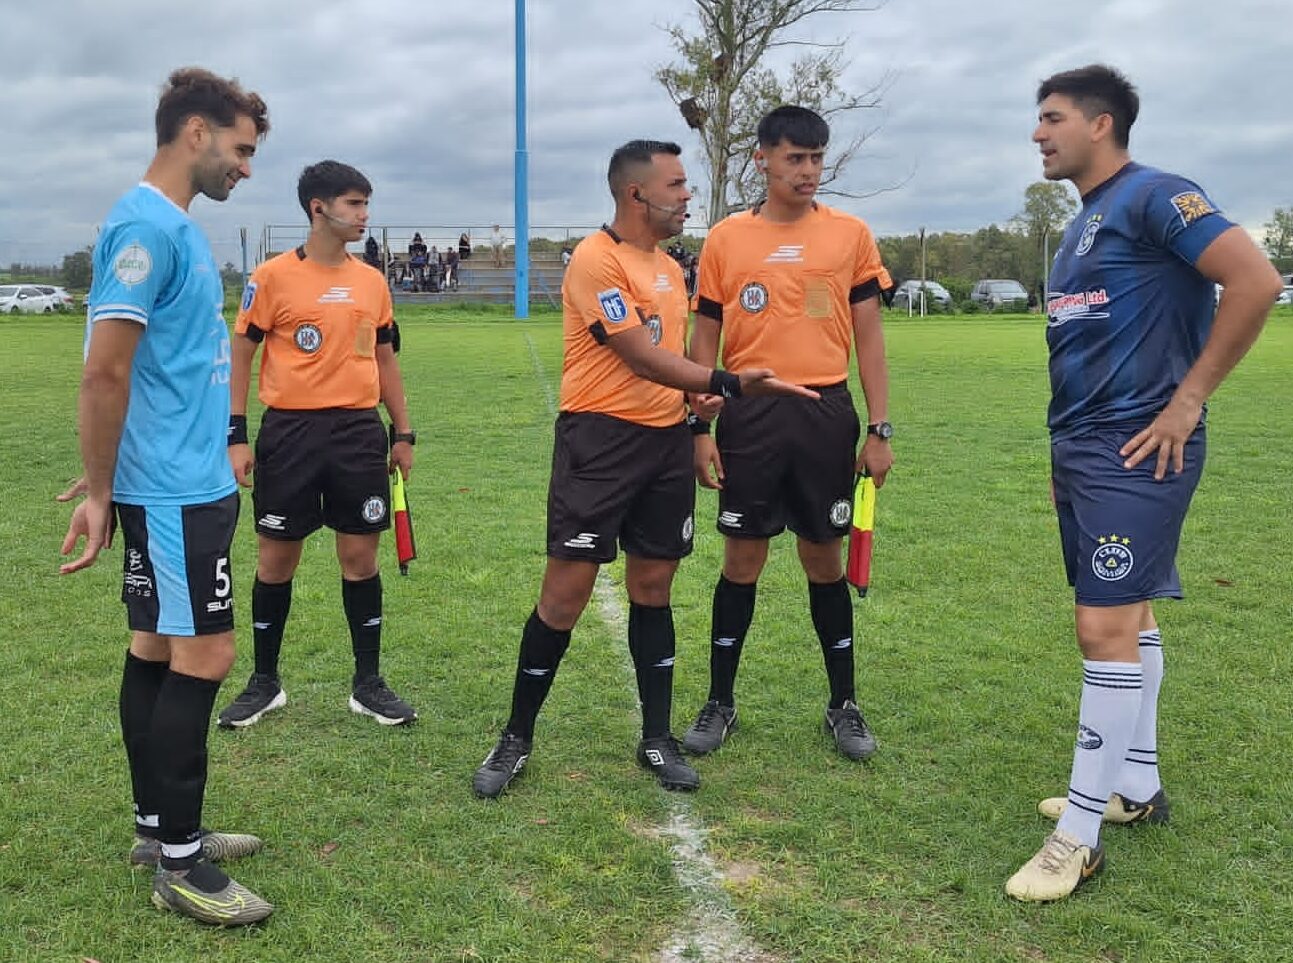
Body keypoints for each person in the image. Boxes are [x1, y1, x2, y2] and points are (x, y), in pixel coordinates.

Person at [1005, 64, 1280, 903]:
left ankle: (1078, 837)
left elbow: (1255, 280)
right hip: (1084, 451)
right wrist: (1062, 456)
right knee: (1131, 614)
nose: (1037, 133)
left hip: (1139, 448)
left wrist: (1186, 400)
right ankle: (1135, 784)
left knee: (1102, 628)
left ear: (1099, 124)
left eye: (1051, 117)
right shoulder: (1083, 221)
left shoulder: (1157, 194)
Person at [472, 139, 817, 800]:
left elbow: (675, 361)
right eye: (677, 185)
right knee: (564, 594)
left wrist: (696, 419)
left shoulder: (666, 266)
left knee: (653, 587)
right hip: (599, 444)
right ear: (636, 194)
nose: (688, 196)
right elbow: (638, 354)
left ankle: (656, 736)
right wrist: (728, 382)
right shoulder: (595, 260)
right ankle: (516, 735)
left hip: (664, 446)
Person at [58, 67, 273, 926]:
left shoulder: (169, 224)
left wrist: (115, 472)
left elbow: (148, 369)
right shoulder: (146, 226)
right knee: (207, 656)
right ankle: (181, 863)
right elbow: (104, 370)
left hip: (184, 481)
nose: (245, 168)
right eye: (240, 149)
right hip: (175, 491)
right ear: (195, 131)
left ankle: (158, 830)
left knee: (153, 643)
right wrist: (103, 486)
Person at [679, 105, 894, 765]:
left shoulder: (850, 235)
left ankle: (843, 703)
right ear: (762, 159)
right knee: (741, 560)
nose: (807, 171)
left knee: (824, 561)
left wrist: (879, 427)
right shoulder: (726, 238)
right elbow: (705, 336)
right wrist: (699, 424)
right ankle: (719, 701)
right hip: (749, 415)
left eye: (816, 158)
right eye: (794, 158)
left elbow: (869, 336)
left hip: (825, 412)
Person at [217, 160, 418, 731]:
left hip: (357, 433)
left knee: (360, 560)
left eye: (365, 203)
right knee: (276, 560)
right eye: (354, 204)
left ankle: (368, 684)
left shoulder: (372, 282)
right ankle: (265, 682)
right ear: (318, 208)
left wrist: (402, 431)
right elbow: (241, 355)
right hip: (290, 434)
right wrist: (237, 435)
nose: (364, 214)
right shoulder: (272, 277)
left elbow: (385, 360)